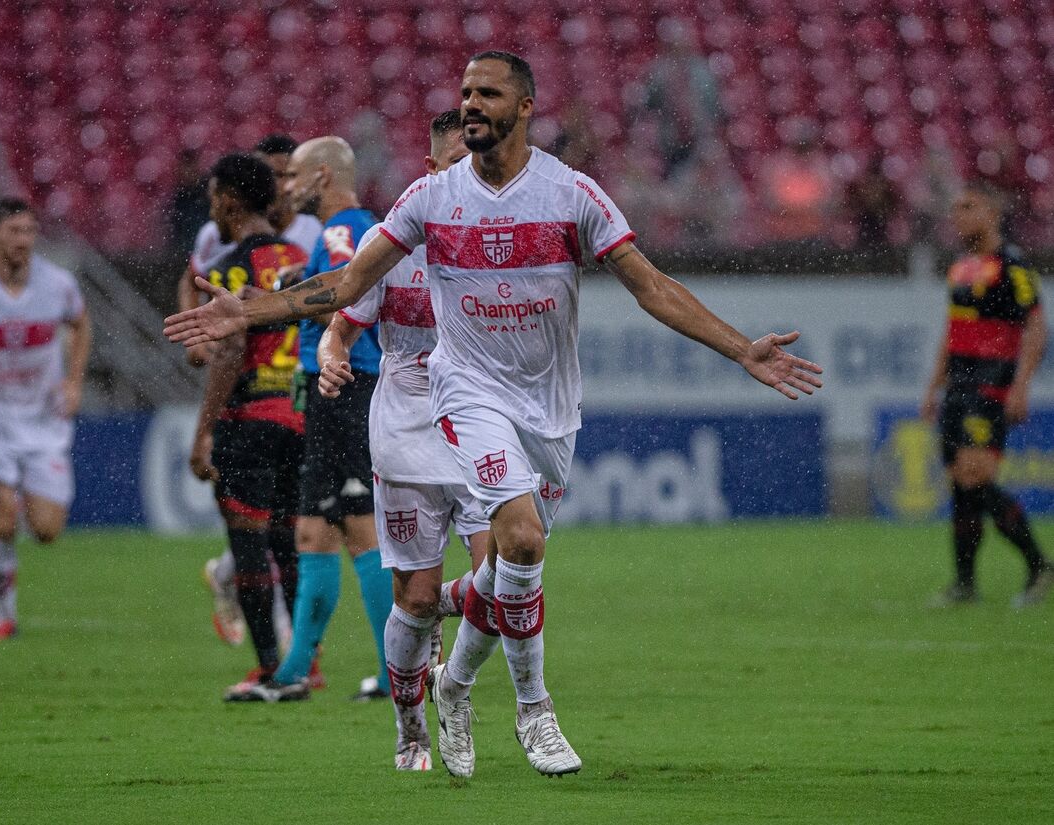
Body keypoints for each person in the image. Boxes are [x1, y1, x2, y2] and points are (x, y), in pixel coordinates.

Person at [164, 51, 823, 776]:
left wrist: (741, 350)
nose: (472, 104)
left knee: (507, 562)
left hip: (548, 409)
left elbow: (651, 285)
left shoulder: (572, 195)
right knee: (522, 541)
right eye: (466, 93)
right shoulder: (430, 198)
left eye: (488, 94)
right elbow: (346, 284)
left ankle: (453, 679)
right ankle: (533, 711)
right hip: (463, 394)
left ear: (526, 107)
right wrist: (251, 311)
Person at [306, 110, 491, 771]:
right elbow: (342, 320)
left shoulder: (497, 239)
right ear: (429, 171)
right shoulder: (391, 246)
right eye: (450, 168)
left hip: (478, 423)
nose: (462, 183)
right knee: (413, 598)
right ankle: (411, 726)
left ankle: (455, 684)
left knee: (501, 580)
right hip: (407, 426)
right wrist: (330, 352)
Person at [255, 136, 393, 703]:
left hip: (346, 387)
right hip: (331, 391)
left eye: (293, 176)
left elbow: (342, 289)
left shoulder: (342, 230)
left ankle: (395, 673)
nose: (285, 188)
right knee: (313, 529)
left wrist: (287, 291)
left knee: (360, 527)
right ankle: (293, 673)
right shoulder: (357, 229)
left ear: (322, 177)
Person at [184, 136, 323, 651]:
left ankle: (268, 665)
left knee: (247, 543)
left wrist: (203, 429)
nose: (212, 209)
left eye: (214, 198)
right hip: (304, 415)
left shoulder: (231, 271)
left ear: (229, 200)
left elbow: (228, 351)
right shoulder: (305, 259)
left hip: (251, 419)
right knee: (291, 544)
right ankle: (304, 661)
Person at [0, 198, 90, 639]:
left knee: (48, 530)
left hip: (42, 422)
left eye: (30, 231)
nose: (23, 241)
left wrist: (73, 382)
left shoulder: (58, 285)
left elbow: (81, 324)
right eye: (13, 231)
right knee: (6, 519)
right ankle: (3, 613)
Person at [921, 182, 1054, 608]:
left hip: (991, 385)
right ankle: (965, 584)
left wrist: (1021, 385)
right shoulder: (961, 268)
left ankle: (1039, 566)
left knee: (975, 475)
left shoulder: (1011, 266)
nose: (957, 215)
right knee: (963, 484)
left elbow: (1035, 327)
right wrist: (933, 385)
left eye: (968, 207)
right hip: (958, 388)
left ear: (992, 214)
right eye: (955, 208)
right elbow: (952, 331)